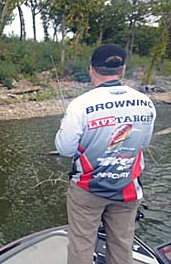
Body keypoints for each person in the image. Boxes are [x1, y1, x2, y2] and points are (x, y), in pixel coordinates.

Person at [54, 44, 156, 264]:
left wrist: (64, 126)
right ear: (122, 69)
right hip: (127, 189)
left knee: (81, 247)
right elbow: (144, 143)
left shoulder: (80, 105)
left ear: (92, 69)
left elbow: (65, 149)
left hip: (87, 190)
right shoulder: (146, 102)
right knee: (121, 246)